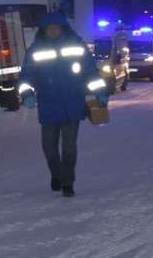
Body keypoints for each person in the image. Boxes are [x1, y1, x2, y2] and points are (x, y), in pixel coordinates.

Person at [18, 12, 108, 197]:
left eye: (56, 27)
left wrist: (100, 91)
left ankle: (68, 182)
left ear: (62, 28)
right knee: (49, 147)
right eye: (49, 27)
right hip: (49, 104)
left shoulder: (77, 46)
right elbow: (27, 76)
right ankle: (57, 174)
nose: (52, 30)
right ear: (44, 30)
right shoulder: (35, 50)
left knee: (69, 147)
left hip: (72, 104)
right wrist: (27, 93)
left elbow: (90, 72)